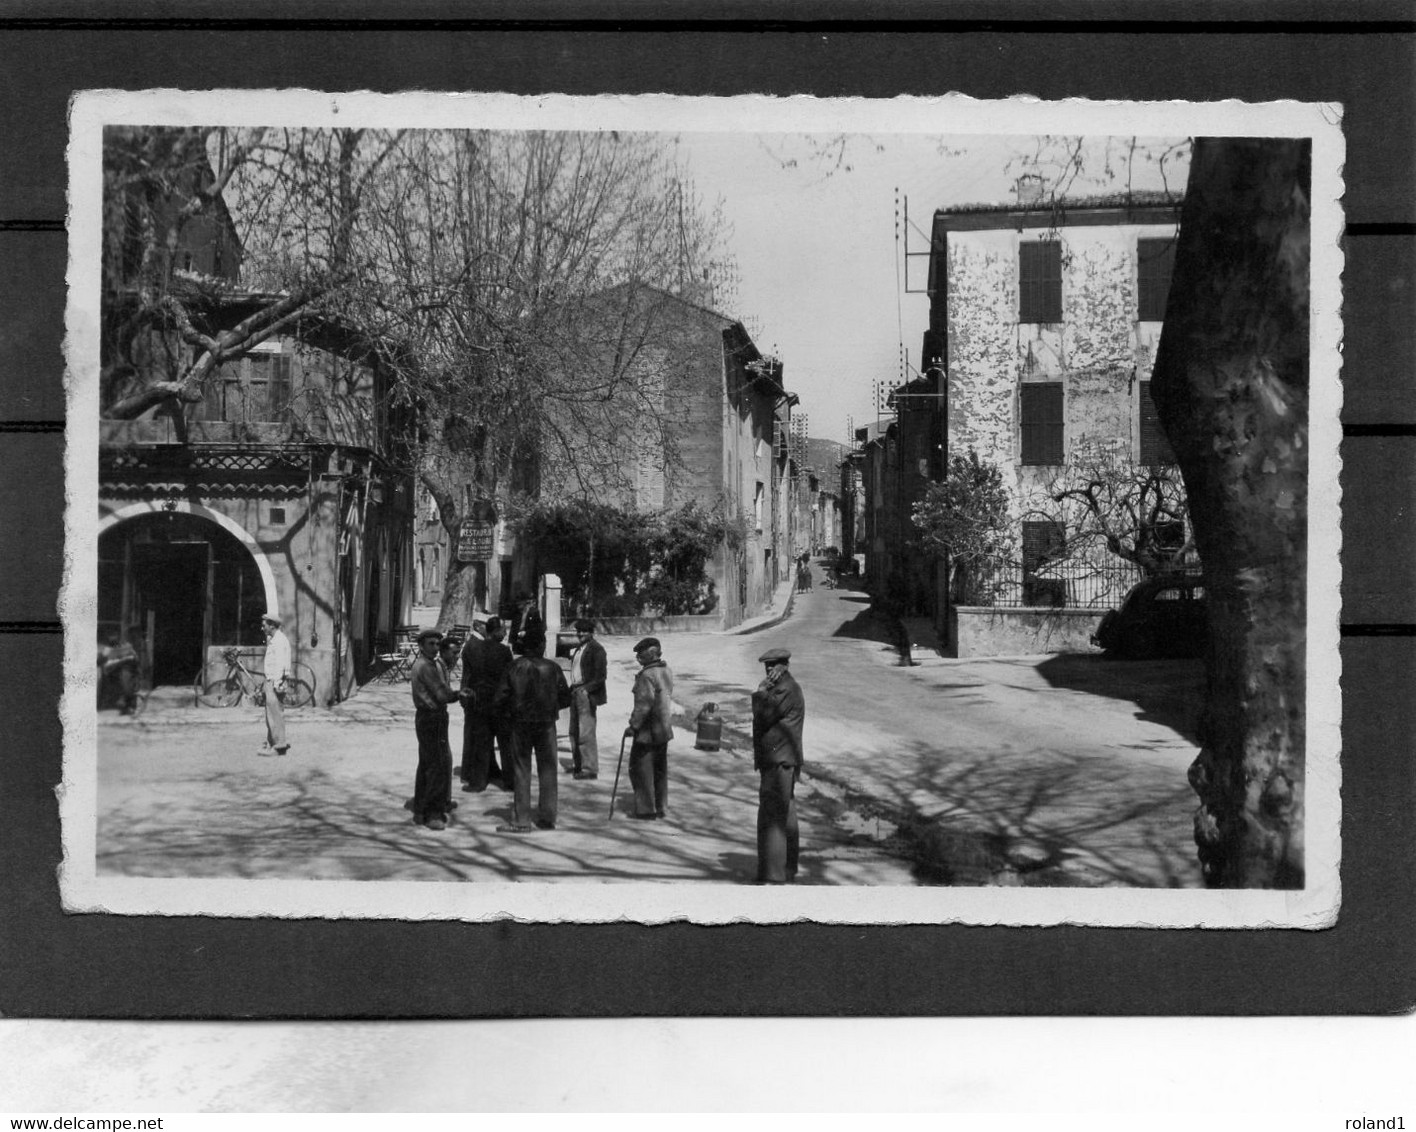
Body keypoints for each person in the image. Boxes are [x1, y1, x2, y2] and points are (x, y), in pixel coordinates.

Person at [493, 630, 570, 832]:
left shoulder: (513, 667)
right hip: (546, 724)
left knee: (521, 770)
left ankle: (522, 820)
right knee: (548, 769)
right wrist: (549, 708)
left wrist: (510, 714)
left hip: (520, 724)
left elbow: (500, 698)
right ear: (541, 646)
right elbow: (565, 697)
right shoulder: (553, 668)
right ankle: (548, 817)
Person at [751, 646, 806, 884]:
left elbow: (763, 715)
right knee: (785, 816)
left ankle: (773, 875)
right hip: (783, 759)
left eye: (773, 666)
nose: (769, 671)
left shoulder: (784, 689)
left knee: (772, 818)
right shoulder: (786, 687)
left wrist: (761, 692)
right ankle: (788, 868)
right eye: (767, 667)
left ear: (784, 666)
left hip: (777, 761)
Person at [409, 628, 468, 831]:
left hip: (428, 717)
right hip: (431, 717)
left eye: (436, 644)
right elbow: (442, 695)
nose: (435, 648)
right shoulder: (426, 666)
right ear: (421, 645)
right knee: (436, 765)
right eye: (431, 644)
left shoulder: (427, 664)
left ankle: (420, 809)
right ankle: (433, 813)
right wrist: (460, 694)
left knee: (427, 762)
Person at [459, 617, 514, 792]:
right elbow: (509, 679)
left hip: (480, 703)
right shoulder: (504, 651)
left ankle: (478, 782)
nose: (505, 633)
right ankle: (511, 781)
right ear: (495, 631)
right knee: (506, 744)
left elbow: (470, 675)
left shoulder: (475, 648)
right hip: (500, 704)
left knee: (481, 744)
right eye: (503, 629)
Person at [624, 636, 674, 820]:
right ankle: (661, 807)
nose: (637, 657)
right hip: (663, 729)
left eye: (640, 654)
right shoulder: (666, 670)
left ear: (651, 654)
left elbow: (643, 705)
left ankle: (646, 810)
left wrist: (633, 726)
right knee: (660, 770)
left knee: (640, 769)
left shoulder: (647, 675)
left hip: (647, 731)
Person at [568, 618, 607, 779]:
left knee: (586, 732)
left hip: (586, 693)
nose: (580, 634)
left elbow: (601, 676)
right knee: (574, 731)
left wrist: (586, 689)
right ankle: (579, 765)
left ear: (591, 633)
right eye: (578, 631)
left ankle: (589, 768)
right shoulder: (579, 648)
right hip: (575, 691)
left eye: (584, 631)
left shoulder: (597, 649)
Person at [257, 612, 292, 756]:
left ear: (271, 625)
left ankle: (279, 746)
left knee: (275, 713)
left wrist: (277, 682)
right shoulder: (275, 639)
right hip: (271, 680)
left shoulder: (279, 641)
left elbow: (280, 663)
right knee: (271, 714)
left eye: (264, 625)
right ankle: (272, 742)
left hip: (275, 681)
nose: (262, 627)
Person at [97, 628, 139, 714]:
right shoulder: (106, 648)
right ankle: (124, 702)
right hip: (110, 671)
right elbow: (100, 662)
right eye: (111, 636)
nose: (113, 638)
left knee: (126, 675)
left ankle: (127, 703)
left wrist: (127, 658)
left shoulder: (125, 646)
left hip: (123, 669)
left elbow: (135, 658)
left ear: (118, 636)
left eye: (115, 635)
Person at [511, 590, 544, 656]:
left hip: (531, 644)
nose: (518, 604)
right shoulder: (517, 614)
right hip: (518, 644)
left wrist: (526, 633)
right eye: (517, 602)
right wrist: (510, 642)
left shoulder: (534, 613)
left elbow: (538, 630)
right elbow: (513, 629)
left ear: (525, 602)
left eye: (520, 602)